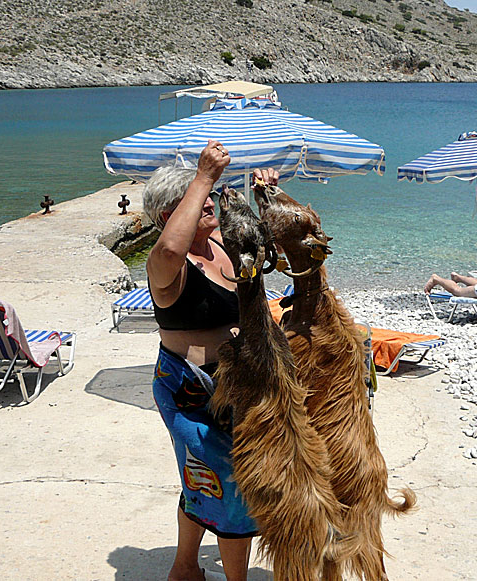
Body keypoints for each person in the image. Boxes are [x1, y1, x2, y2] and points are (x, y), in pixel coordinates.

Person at [143, 141, 280, 581]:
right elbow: (167, 251)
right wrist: (202, 177)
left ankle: (184, 568)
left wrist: (266, 198)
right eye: (203, 201)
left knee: (201, 481)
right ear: (170, 217)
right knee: (232, 485)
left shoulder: (218, 244)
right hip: (191, 392)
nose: (212, 205)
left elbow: (263, 256)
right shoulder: (167, 267)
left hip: (237, 385)